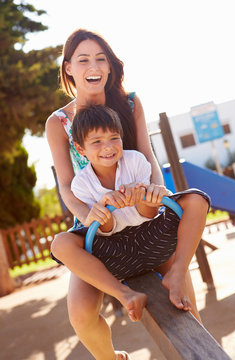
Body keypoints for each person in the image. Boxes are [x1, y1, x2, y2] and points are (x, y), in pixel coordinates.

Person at [46, 28, 210, 360]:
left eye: (100, 58)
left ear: (109, 67)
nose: (93, 66)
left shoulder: (130, 102)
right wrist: (89, 215)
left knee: (185, 305)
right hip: (102, 225)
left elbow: (148, 156)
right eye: (83, 60)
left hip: (144, 213)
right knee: (80, 313)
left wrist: (153, 191)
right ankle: (112, 357)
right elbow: (66, 184)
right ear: (68, 69)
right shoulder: (58, 122)